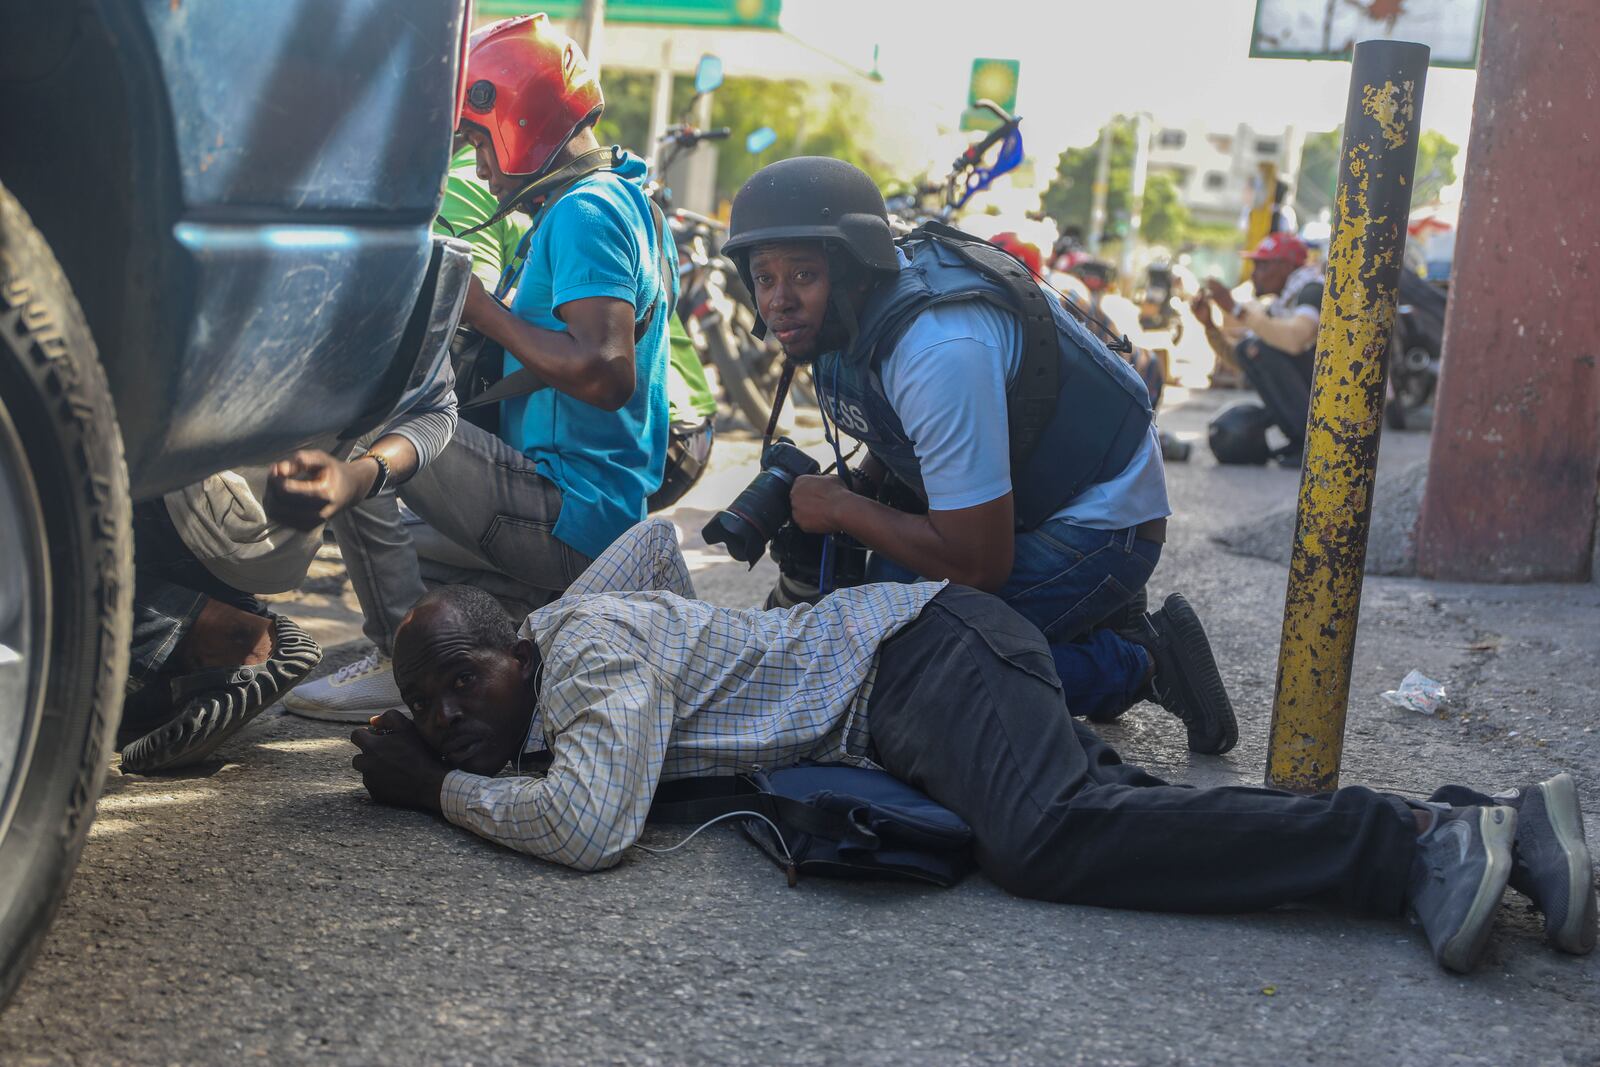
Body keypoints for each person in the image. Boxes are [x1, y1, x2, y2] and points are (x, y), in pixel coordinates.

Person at [348, 519, 1598, 975]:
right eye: (431, 700)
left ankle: (1413, 847)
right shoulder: (572, 621)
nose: (452, 710)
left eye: (464, 680)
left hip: (921, 659)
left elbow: (589, 825)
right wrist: (448, 716)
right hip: (919, 672)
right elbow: (656, 546)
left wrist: (440, 783)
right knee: (1128, 819)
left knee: (1051, 838)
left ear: (521, 646)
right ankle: (1496, 825)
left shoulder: (593, 655)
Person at [714, 157, 1236, 754]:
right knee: (863, 617)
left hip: (1098, 521)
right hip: (1025, 499)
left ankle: (1140, 660)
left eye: (802, 275)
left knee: (898, 678)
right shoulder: (846, 318)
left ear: (855, 268)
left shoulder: (937, 349)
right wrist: (862, 490)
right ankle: (1087, 622)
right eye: (765, 278)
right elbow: (898, 427)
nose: (779, 301)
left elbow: (978, 561)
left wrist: (840, 510)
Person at [282, 14, 674, 722]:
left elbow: (606, 371)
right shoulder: (610, 198)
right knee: (399, 547)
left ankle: (410, 666)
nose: (478, 162)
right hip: (582, 518)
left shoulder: (588, 211)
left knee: (363, 425)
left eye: (475, 138)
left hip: (568, 510)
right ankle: (465, 628)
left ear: (518, 116)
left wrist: (484, 310)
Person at [119, 307, 461, 774]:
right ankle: (189, 664)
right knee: (102, 702)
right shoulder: (417, 262)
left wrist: (357, 478)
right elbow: (437, 407)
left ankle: (216, 638)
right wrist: (360, 476)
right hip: (241, 535)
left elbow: (437, 408)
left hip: (171, 494)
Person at [1194, 232, 1325, 466]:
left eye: (1262, 266)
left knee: (1258, 348)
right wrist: (1210, 326)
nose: (1254, 274)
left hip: (1331, 395)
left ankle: (1313, 444)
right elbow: (1242, 358)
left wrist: (1236, 310)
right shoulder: (1281, 305)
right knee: (1251, 349)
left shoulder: (1312, 290)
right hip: (1312, 385)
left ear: (1285, 266)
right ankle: (1300, 441)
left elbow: (1294, 340)